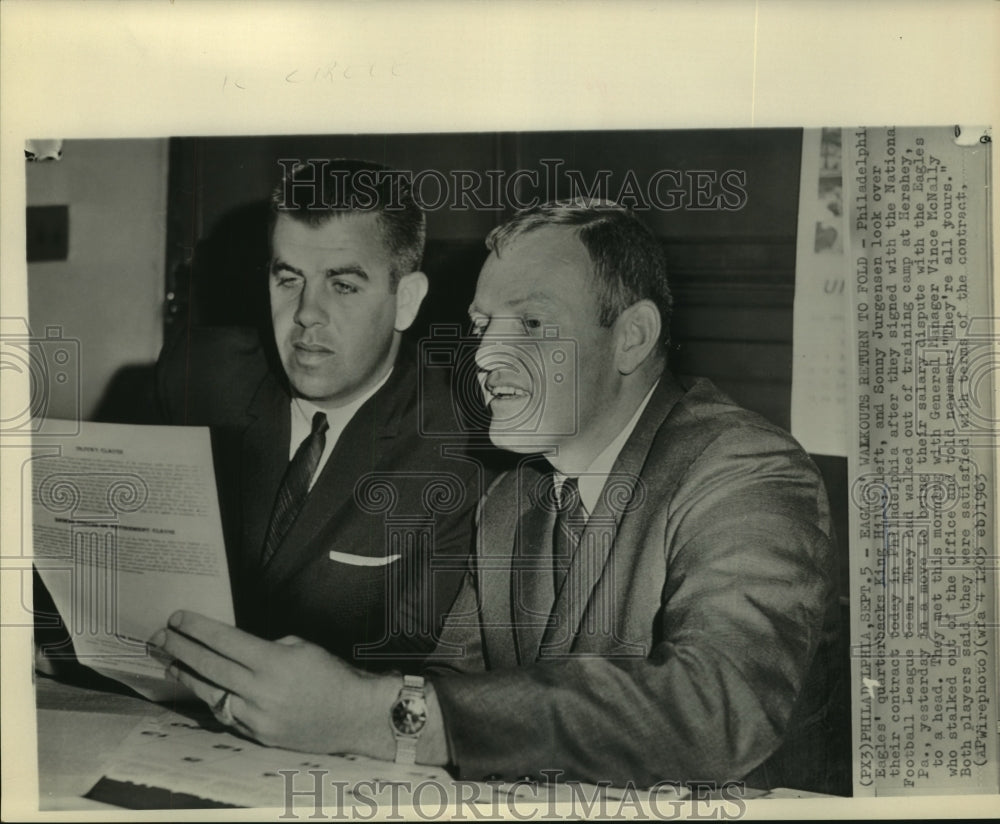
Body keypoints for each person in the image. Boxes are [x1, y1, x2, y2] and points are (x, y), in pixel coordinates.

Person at [152, 200, 845, 793]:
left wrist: (373, 716)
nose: (483, 357)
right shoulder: (514, 497)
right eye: (483, 327)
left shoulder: (746, 470)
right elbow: (455, 687)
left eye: (532, 325)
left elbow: (717, 712)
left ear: (631, 337)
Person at [155, 159, 482, 672]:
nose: (307, 312)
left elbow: (424, 670)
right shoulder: (199, 376)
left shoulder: (460, 442)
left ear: (407, 301)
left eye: (343, 285)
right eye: (289, 279)